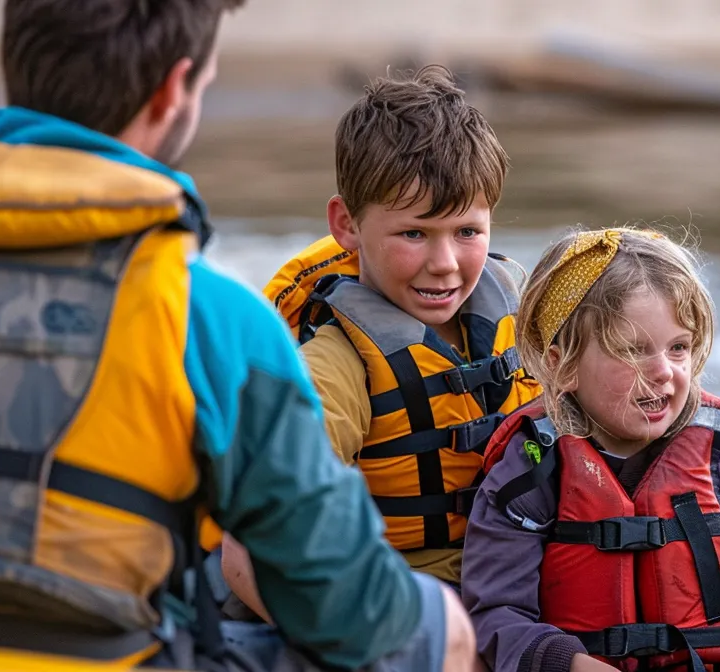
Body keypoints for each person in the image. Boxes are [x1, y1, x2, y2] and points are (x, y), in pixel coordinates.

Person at [0, 1, 474, 670]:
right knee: (437, 633)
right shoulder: (210, 317)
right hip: (102, 658)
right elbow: (343, 607)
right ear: (174, 91)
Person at [221, 65, 539, 614]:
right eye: (413, 233)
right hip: (405, 605)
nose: (443, 265)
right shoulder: (334, 368)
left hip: (520, 587)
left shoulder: (529, 316)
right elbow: (247, 550)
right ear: (346, 224)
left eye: (467, 232)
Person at [461, 227, 720, 672]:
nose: (664, 372)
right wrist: (568, 664)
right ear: (560, 365)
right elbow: (495, 615)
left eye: (678, 348)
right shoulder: (529, 474)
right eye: (632, 351)